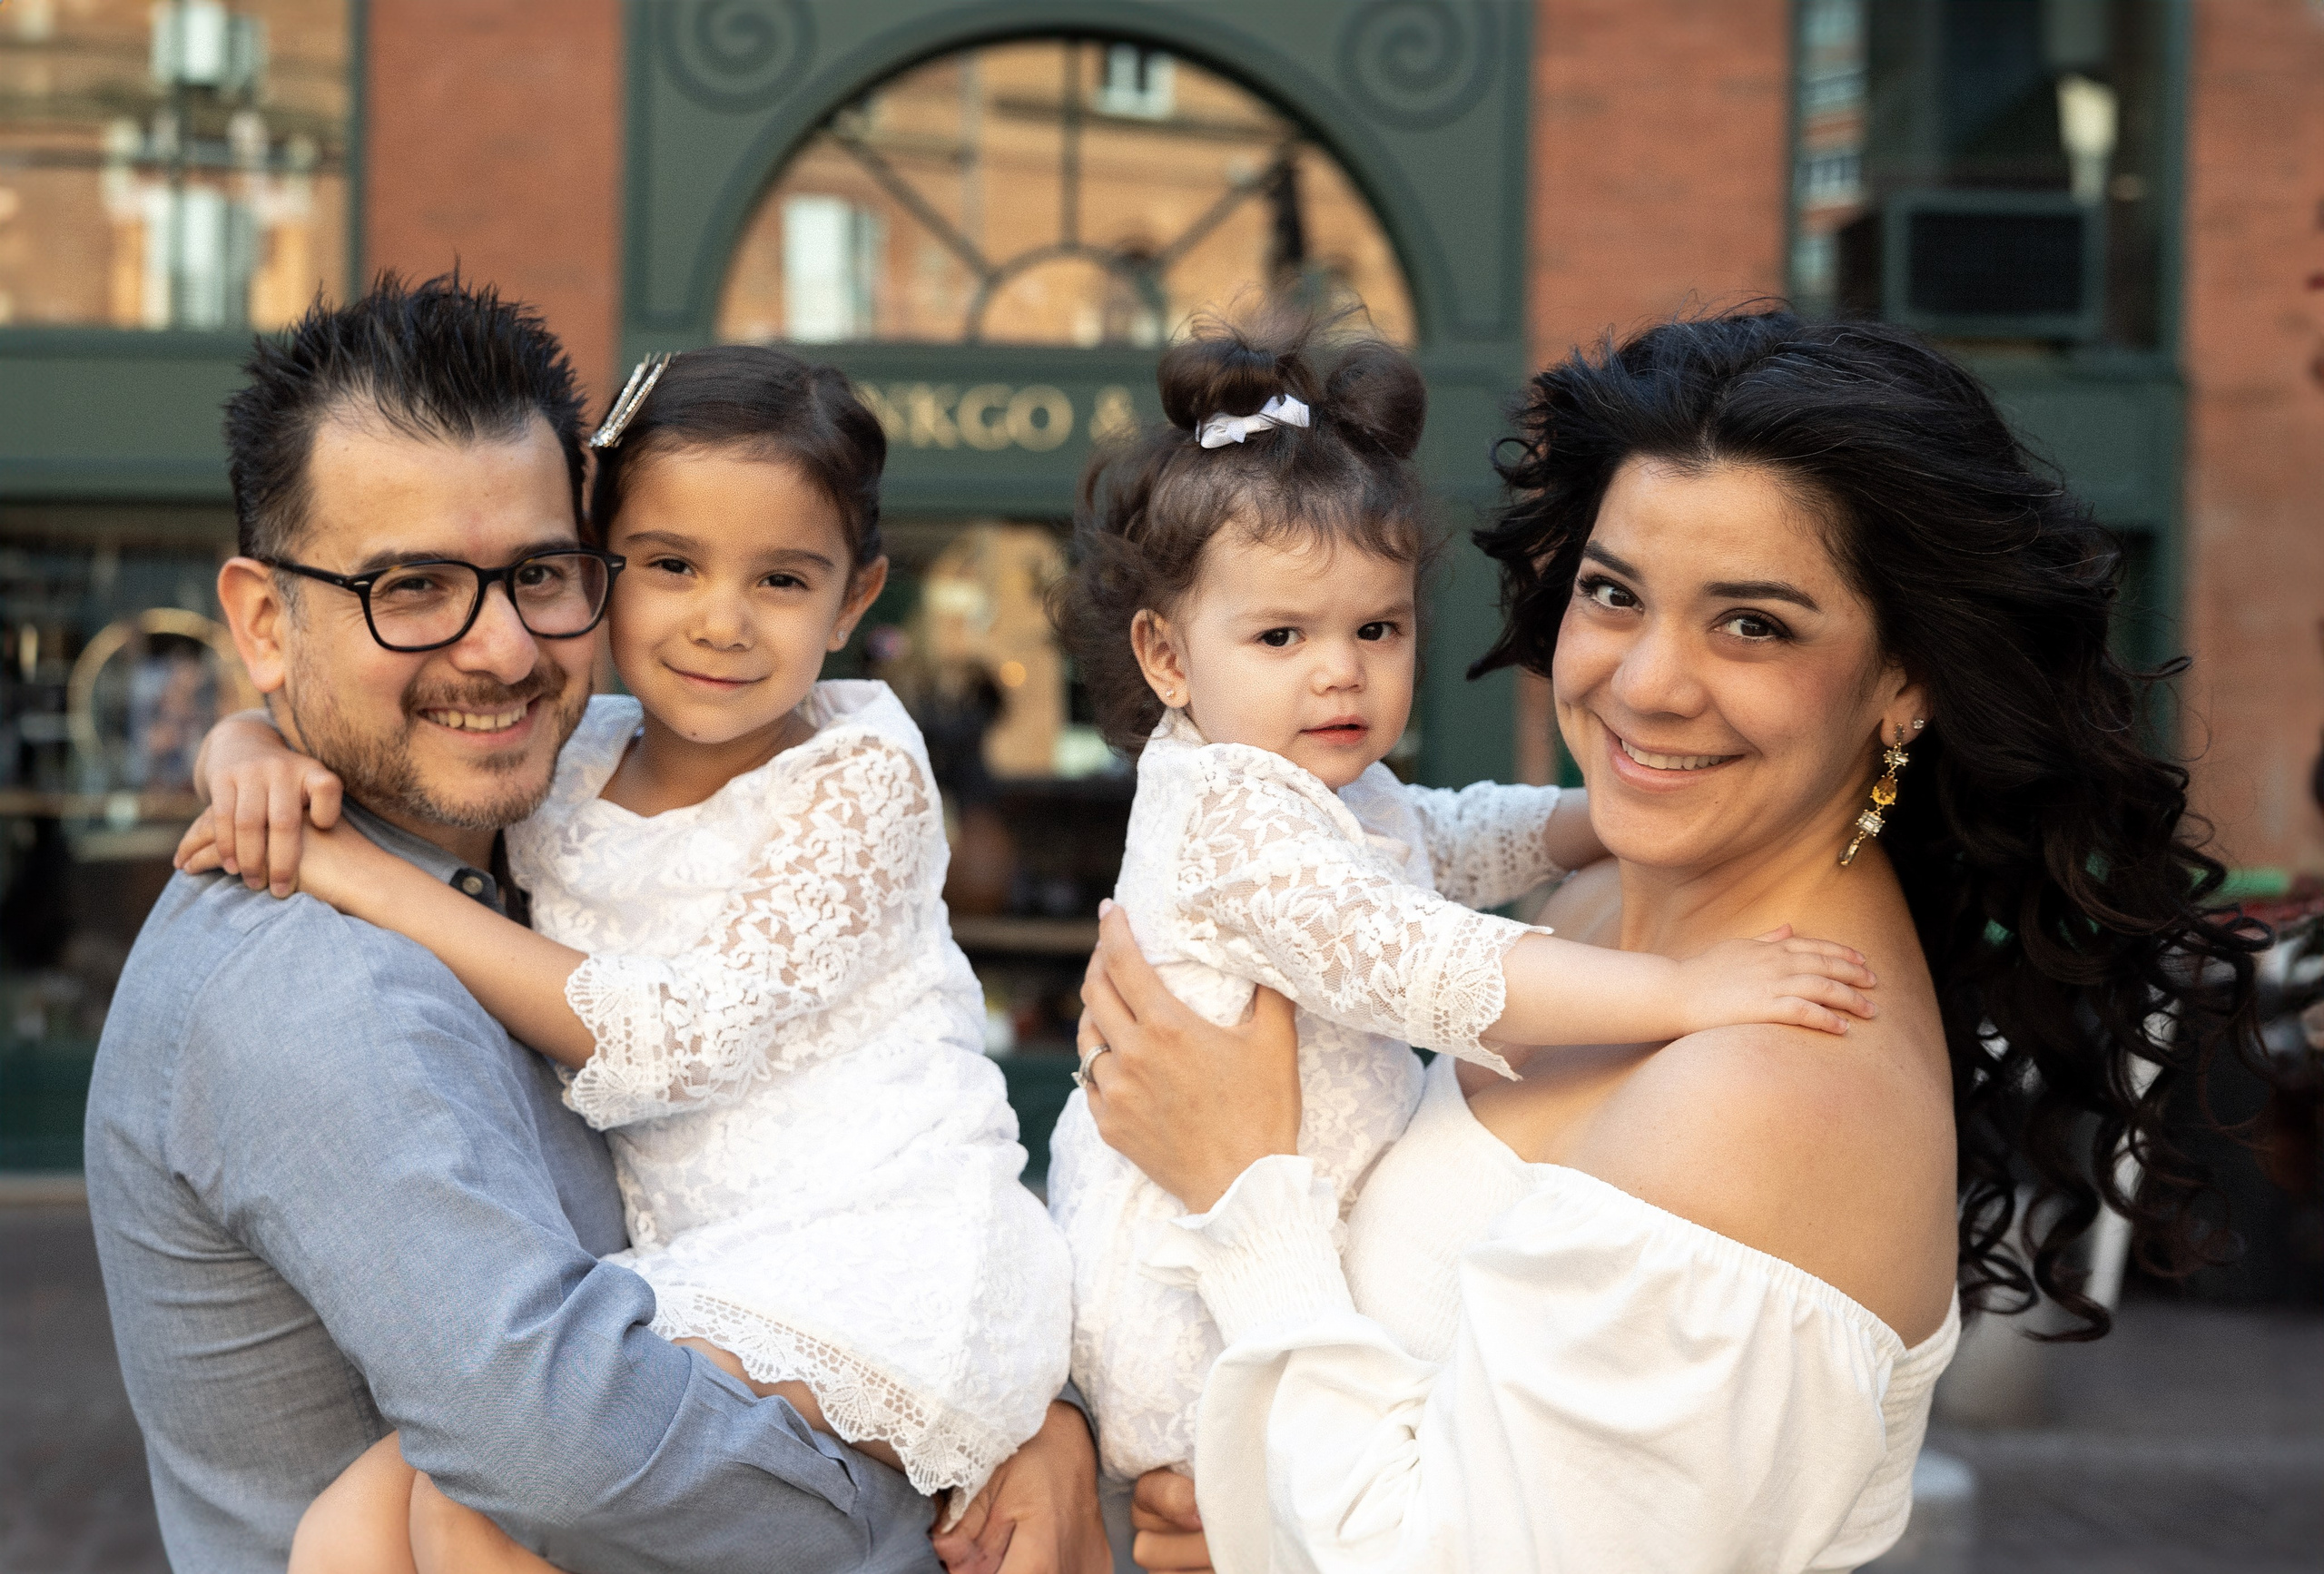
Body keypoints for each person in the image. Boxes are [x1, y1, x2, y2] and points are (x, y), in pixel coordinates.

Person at [1074, 310, 2262, 1572]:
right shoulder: (1615, 902)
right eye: (1614, 592)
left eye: (1752, 623)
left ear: (1907, 677)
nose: (1646, 683)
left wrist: (1244, 1188)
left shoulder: (1769, 1094)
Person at [84, 273, 1106, 1574]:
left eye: (540, 573)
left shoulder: (527, 828)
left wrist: (1026, 1421)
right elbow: (568, 1447)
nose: (503, 648)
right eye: (411, 586)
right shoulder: (318, 977)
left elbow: (854, 1150)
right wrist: (951, 1492)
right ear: (263, 622)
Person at [1043, 308, 1882, 1492]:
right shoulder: (1226, 815)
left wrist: (1593, 815)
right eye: (1281, 633)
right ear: (1167, 657)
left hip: (1277, 1280)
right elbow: (1414, 954)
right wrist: (1683, 988)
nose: (1341, 668)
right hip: (1183, 1313)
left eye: (1376, 627)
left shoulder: (1325, 784)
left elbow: (1442, 835)